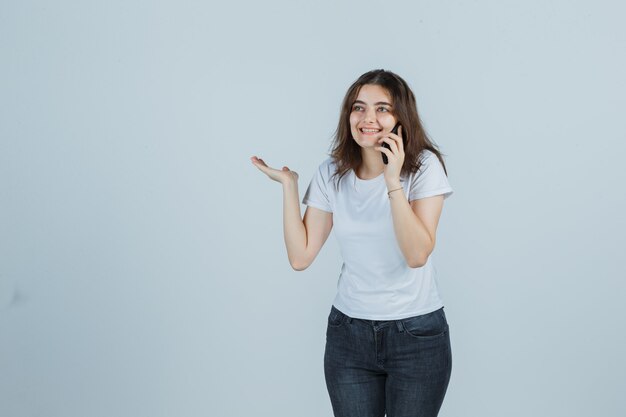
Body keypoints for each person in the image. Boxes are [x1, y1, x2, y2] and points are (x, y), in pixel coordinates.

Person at [250, 69, 454, 417]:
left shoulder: (423, 169)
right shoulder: (332, 172)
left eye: (382, 109)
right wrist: (289, 186)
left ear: (401, 117)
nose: (368, 118)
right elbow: (300, 257)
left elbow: (417, 254)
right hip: (349, 336)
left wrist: (392, 180)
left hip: (416, 336)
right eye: (358, 108)